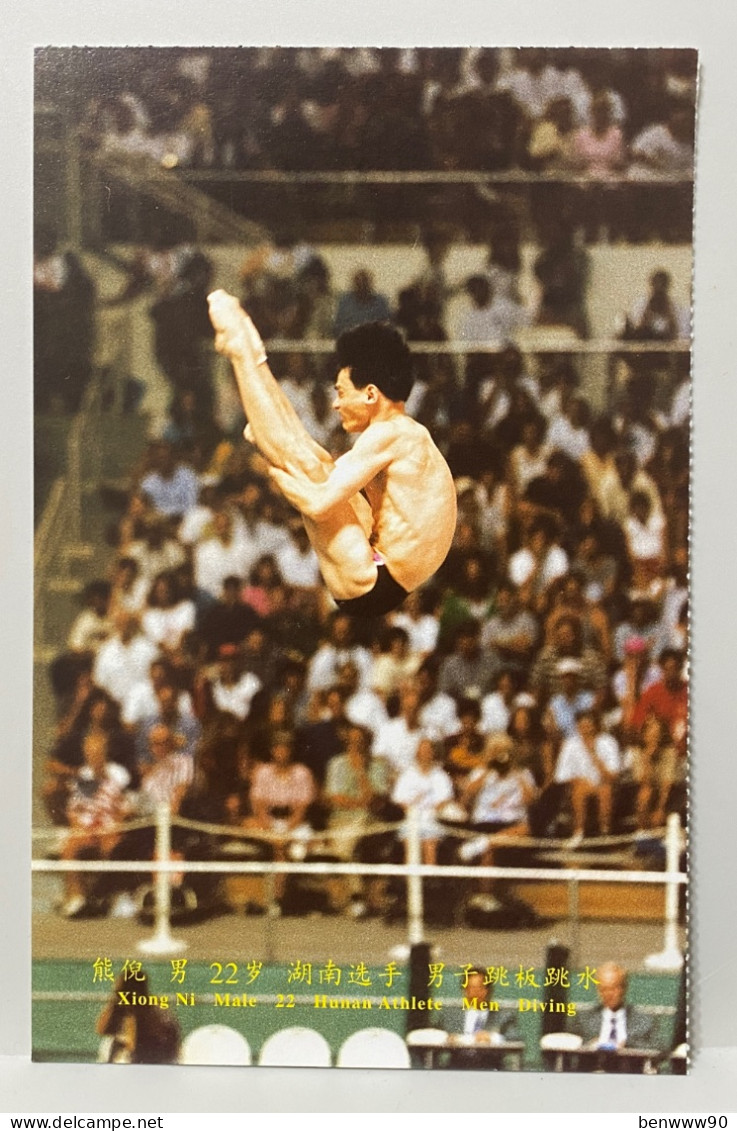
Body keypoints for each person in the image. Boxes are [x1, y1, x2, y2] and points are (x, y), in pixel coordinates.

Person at [208, 291, 457, 616]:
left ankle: (242, 354)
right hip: (389, 570)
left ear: (370, 394)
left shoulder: (390, 433)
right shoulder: (407, 434)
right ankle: (253, 357)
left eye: (341, 392)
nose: (336, 403)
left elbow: (318, 503)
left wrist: (272, 468)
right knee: (315, 461)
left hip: (374, 578)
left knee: (307, 466)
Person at [569, 962, 663, 1052]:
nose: (609, 994)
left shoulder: (644, 1020)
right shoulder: (583, 1019)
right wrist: (591, 1045)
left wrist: (628, 1044)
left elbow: (659, 1049)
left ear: (624, 988)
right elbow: (570, 1046)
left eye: (614, 988)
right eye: (604, 989)